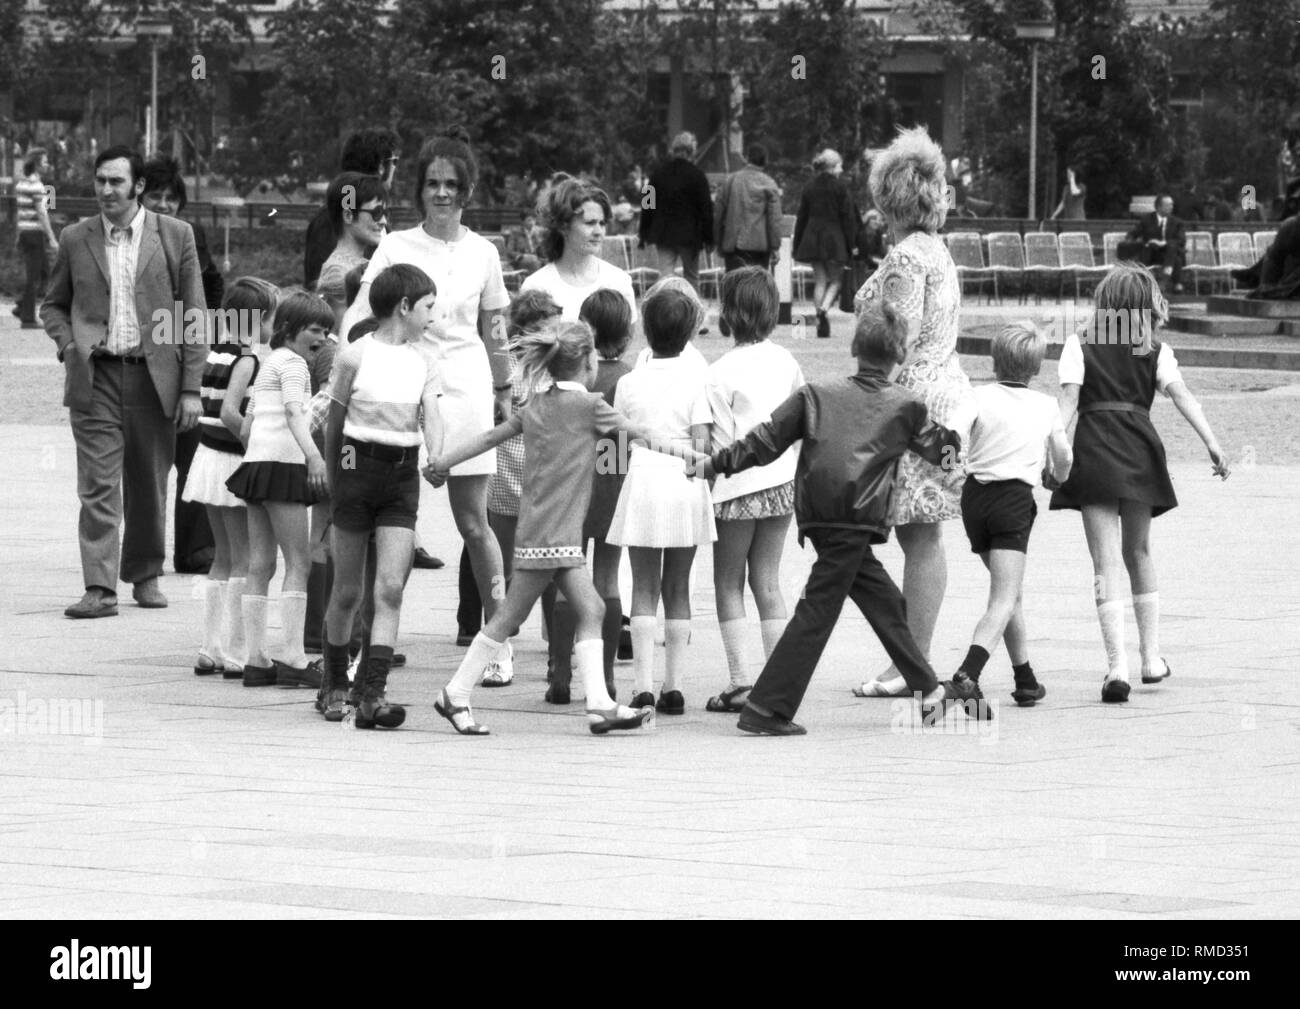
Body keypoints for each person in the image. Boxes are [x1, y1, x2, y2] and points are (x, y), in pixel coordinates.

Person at [699, 302, 982, 735]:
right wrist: (960, 440)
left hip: (820, 515)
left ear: (854, 346)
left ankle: (930, 691)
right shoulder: (905, 405)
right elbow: (939, 451)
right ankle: (766, 708)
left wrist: (718, 463)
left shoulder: (815, 394)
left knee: (884, 602)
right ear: (901, 354)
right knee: (817, 611)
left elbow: (766, 440)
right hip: (860, 516)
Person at [426, 319, 694, 735]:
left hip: (545, 532)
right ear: (588, 362)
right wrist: (689, 454)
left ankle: (599, 705)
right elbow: (640, 436)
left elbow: (488, 438)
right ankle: (455, 693)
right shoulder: (590, 406)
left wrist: (443, 462)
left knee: (588, 608)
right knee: (508, 620)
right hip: (555, 536)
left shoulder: (535, 405)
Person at [341, 128, 512, 673]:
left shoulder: (484, 252)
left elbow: (496, 330)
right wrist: (342, 358)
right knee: (376, 518)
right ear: (418, 189)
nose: (441, 193)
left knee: (473, 522)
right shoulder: (394, 246)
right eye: (432, 183)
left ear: (467, 190)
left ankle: (497, 641)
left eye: (452, 184)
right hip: (396, 385)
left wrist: (504, 390)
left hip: (464, 385)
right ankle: (369, 643)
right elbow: (362, 310)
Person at [1049, 264, 1229, 702]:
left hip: (1093, 453)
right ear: (1146, 305)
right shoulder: (1156, 349)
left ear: (1104, 302)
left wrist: (1049, 449)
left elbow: (1067, 404)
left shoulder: (1080, 343)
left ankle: (1117, 667)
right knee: (1140, 551)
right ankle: (1151, 657)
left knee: (1104, 562)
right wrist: (1213, 443)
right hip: (1140, 450)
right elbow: (1182, 395)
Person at [42, 146, 207, 619]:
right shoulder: (76, 237)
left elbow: (193, 315)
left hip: (154, 379)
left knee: (149, 483)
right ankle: (99, 586)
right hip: (95, 376)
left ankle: (145, 573)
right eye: (100, 181)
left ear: (137, 187)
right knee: (97, 485)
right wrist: (68, 345)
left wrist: (192, 387)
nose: (106, 190)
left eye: (116, 181)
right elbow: (53, 304)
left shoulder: (176, 236)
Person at [853, 127, 976, 698]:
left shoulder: (906, 256)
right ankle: (912, 658)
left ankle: (911, 662)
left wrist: (868, 405)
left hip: (915, 407)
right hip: (946, 398)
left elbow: (894, 342)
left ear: (888, 197)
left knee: (919, 538)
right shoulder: (937, 251)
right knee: (925, 536)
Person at [318, 265, 444, 726]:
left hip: (401, 475)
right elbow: (334, 424)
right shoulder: (354, 356)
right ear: (404, 307)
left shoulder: (424, 361)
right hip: (356, 468)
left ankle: (371, 692)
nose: (435, 314)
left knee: (390, 587)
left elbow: (431, 412)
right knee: (348, 589)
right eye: (429, 305)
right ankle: (333, 681)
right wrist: (333, 479)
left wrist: (438, 454)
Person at [947, 322, 1071, 706]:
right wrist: (1057, 478)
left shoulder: (976, 396)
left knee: (1009, 591)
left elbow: (950, 435)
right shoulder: (1047, 406)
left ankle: (1026, 678)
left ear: (994, 360)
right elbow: (1064, 455)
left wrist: (952, 467)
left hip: (975, 500)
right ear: (1036, 368)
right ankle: (968, 672)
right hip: (1013, 502)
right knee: (1003, 597)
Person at [607, 281, 716, 715]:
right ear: (690, 333)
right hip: (684, 481)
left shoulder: (630, 383)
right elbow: (703, 442)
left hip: (643, 480)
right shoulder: (697, 380)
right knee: (678, 586)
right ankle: (675, 686)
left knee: (644, 584)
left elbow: (614, 445)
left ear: (645, 332)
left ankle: (642, 686)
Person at [702, 267, 803, 713]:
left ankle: (740, 680)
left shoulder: (718, 372)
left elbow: (717, 439)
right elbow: (802, 419)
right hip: (781, 482)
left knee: (728, 581)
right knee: (768, 580)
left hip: (736, 487)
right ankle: (776, 681)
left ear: (727, 313)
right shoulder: (786, 361)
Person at [225, 292, 331, 687]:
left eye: (326, 330)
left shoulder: (268, 363)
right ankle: (294, 658)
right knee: (298, 562)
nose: (321, 337)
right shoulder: (295, 366)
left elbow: (249, 424)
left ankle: (255, 659)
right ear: (289, 328)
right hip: (283, 467)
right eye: (315, 330)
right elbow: (293, 412)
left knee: (260, 564)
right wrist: (313, 457)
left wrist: (258, 450)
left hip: (255, 467)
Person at [461, 288, 564, 688]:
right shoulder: (504, 377)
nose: (553, 338)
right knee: (500, 573)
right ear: (522, 334)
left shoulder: (560, 374)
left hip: (546, 490)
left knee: (555, 574)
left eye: (556, 329)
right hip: (504, 486)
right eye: (544, 330)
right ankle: (499, 653)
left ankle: (559, 656)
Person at [182, 278, 279, 678]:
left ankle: (211, 647)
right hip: (230, 461)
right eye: (272, 318)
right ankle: (238, 651)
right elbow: (230, 411)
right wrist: (253, 442)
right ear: (257, 321)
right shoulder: (246, 360)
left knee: (222, 557)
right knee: (244, 559)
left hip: (206, 458)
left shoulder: (216, 353)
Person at [547, 288, 635, 704]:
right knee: (608, 579)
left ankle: (560, 673)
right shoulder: (630, 377)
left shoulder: (574, 377)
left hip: (575, 485)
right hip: (615, 481)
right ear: (628, 333)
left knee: (567, 577)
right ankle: (605, 677)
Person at [139, 153, 224, 576]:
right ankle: (142, 552)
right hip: (143, 364)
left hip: (187, 357)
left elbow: (207, 299)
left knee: (194, 455)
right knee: (149, 467)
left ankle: (194, 549)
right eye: (155, 195)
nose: (164, 204)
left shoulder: (190, 235)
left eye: (171, 197)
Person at [521, 175, 638, 321]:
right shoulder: (537, 287)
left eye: (602, 223)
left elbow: (626, 341)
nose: (598, 232)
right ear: (564, 226)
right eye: (589, 223)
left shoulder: (618, 281)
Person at [304, 129, 399, 290]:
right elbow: (323, 293)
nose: (382, 221)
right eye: (394, 161)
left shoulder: (373, 217)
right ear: (382, 166)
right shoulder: (333, 217)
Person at [638, 131, 714, 295]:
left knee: (665, 276)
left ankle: (662, 310)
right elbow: (706, 210)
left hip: (664, 234)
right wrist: (709, 238)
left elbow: (647, 204)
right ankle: (692, 313)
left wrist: (644, 232)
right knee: (692, 277)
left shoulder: (657, 174)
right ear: (690, 151)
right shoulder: (698, 176)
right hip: (690, 236)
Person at [794, 148, 857, 340]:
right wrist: (851, 242)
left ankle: (819, 316)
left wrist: (798, 243)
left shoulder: (809, 186)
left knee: (820, 279)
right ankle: (823, 310)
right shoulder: (840, 188)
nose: (841, 169)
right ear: (832, 167)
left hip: (812, 237)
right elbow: (847, 217)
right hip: (834, 238)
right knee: (836, 280)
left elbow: (802, 216)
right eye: (839, 166)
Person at [316, 172, 387, 330]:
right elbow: (345, 339)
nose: (384, 221)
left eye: (384, 213)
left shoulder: (364, 265)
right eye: (376, 213)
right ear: (348, 215)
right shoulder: (339, 273)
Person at [713, 143, 782, 273]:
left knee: (735, 286)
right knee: (756, 288)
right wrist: (775, 246)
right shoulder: (769, 183)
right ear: (765, 161)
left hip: (734, 246)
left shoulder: (731, 180)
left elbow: (718, 213)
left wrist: (717, 241)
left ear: (746, 158)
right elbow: (774, 220)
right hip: (760, 247)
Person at [14, 148, 58, 329]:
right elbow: (42, 213)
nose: (48, 165)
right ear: (38, 165)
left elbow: (20, 212)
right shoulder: (37, 186)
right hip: (34, 234)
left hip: (26, 233)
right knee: (34, 276)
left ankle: (22, 305)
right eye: (45, 161)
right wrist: (52, 237)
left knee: (45, 272)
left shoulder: (22, 184)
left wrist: (18, 234)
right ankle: (28, 318)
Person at [1127, 195, 1186, 293]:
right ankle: (1176, 283)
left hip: (1168, 254)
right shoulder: (1146, 220)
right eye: (1168, 205)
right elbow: (1133, 234)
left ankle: (1164, 280)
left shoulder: (1177, 222)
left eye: (1172, 204)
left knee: (1172, 249)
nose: (1171, 207)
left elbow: (1181, 240)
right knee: (1176, 259)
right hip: (1151, 254)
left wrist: (1164, 243)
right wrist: (1131, 239)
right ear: (1159, 207)